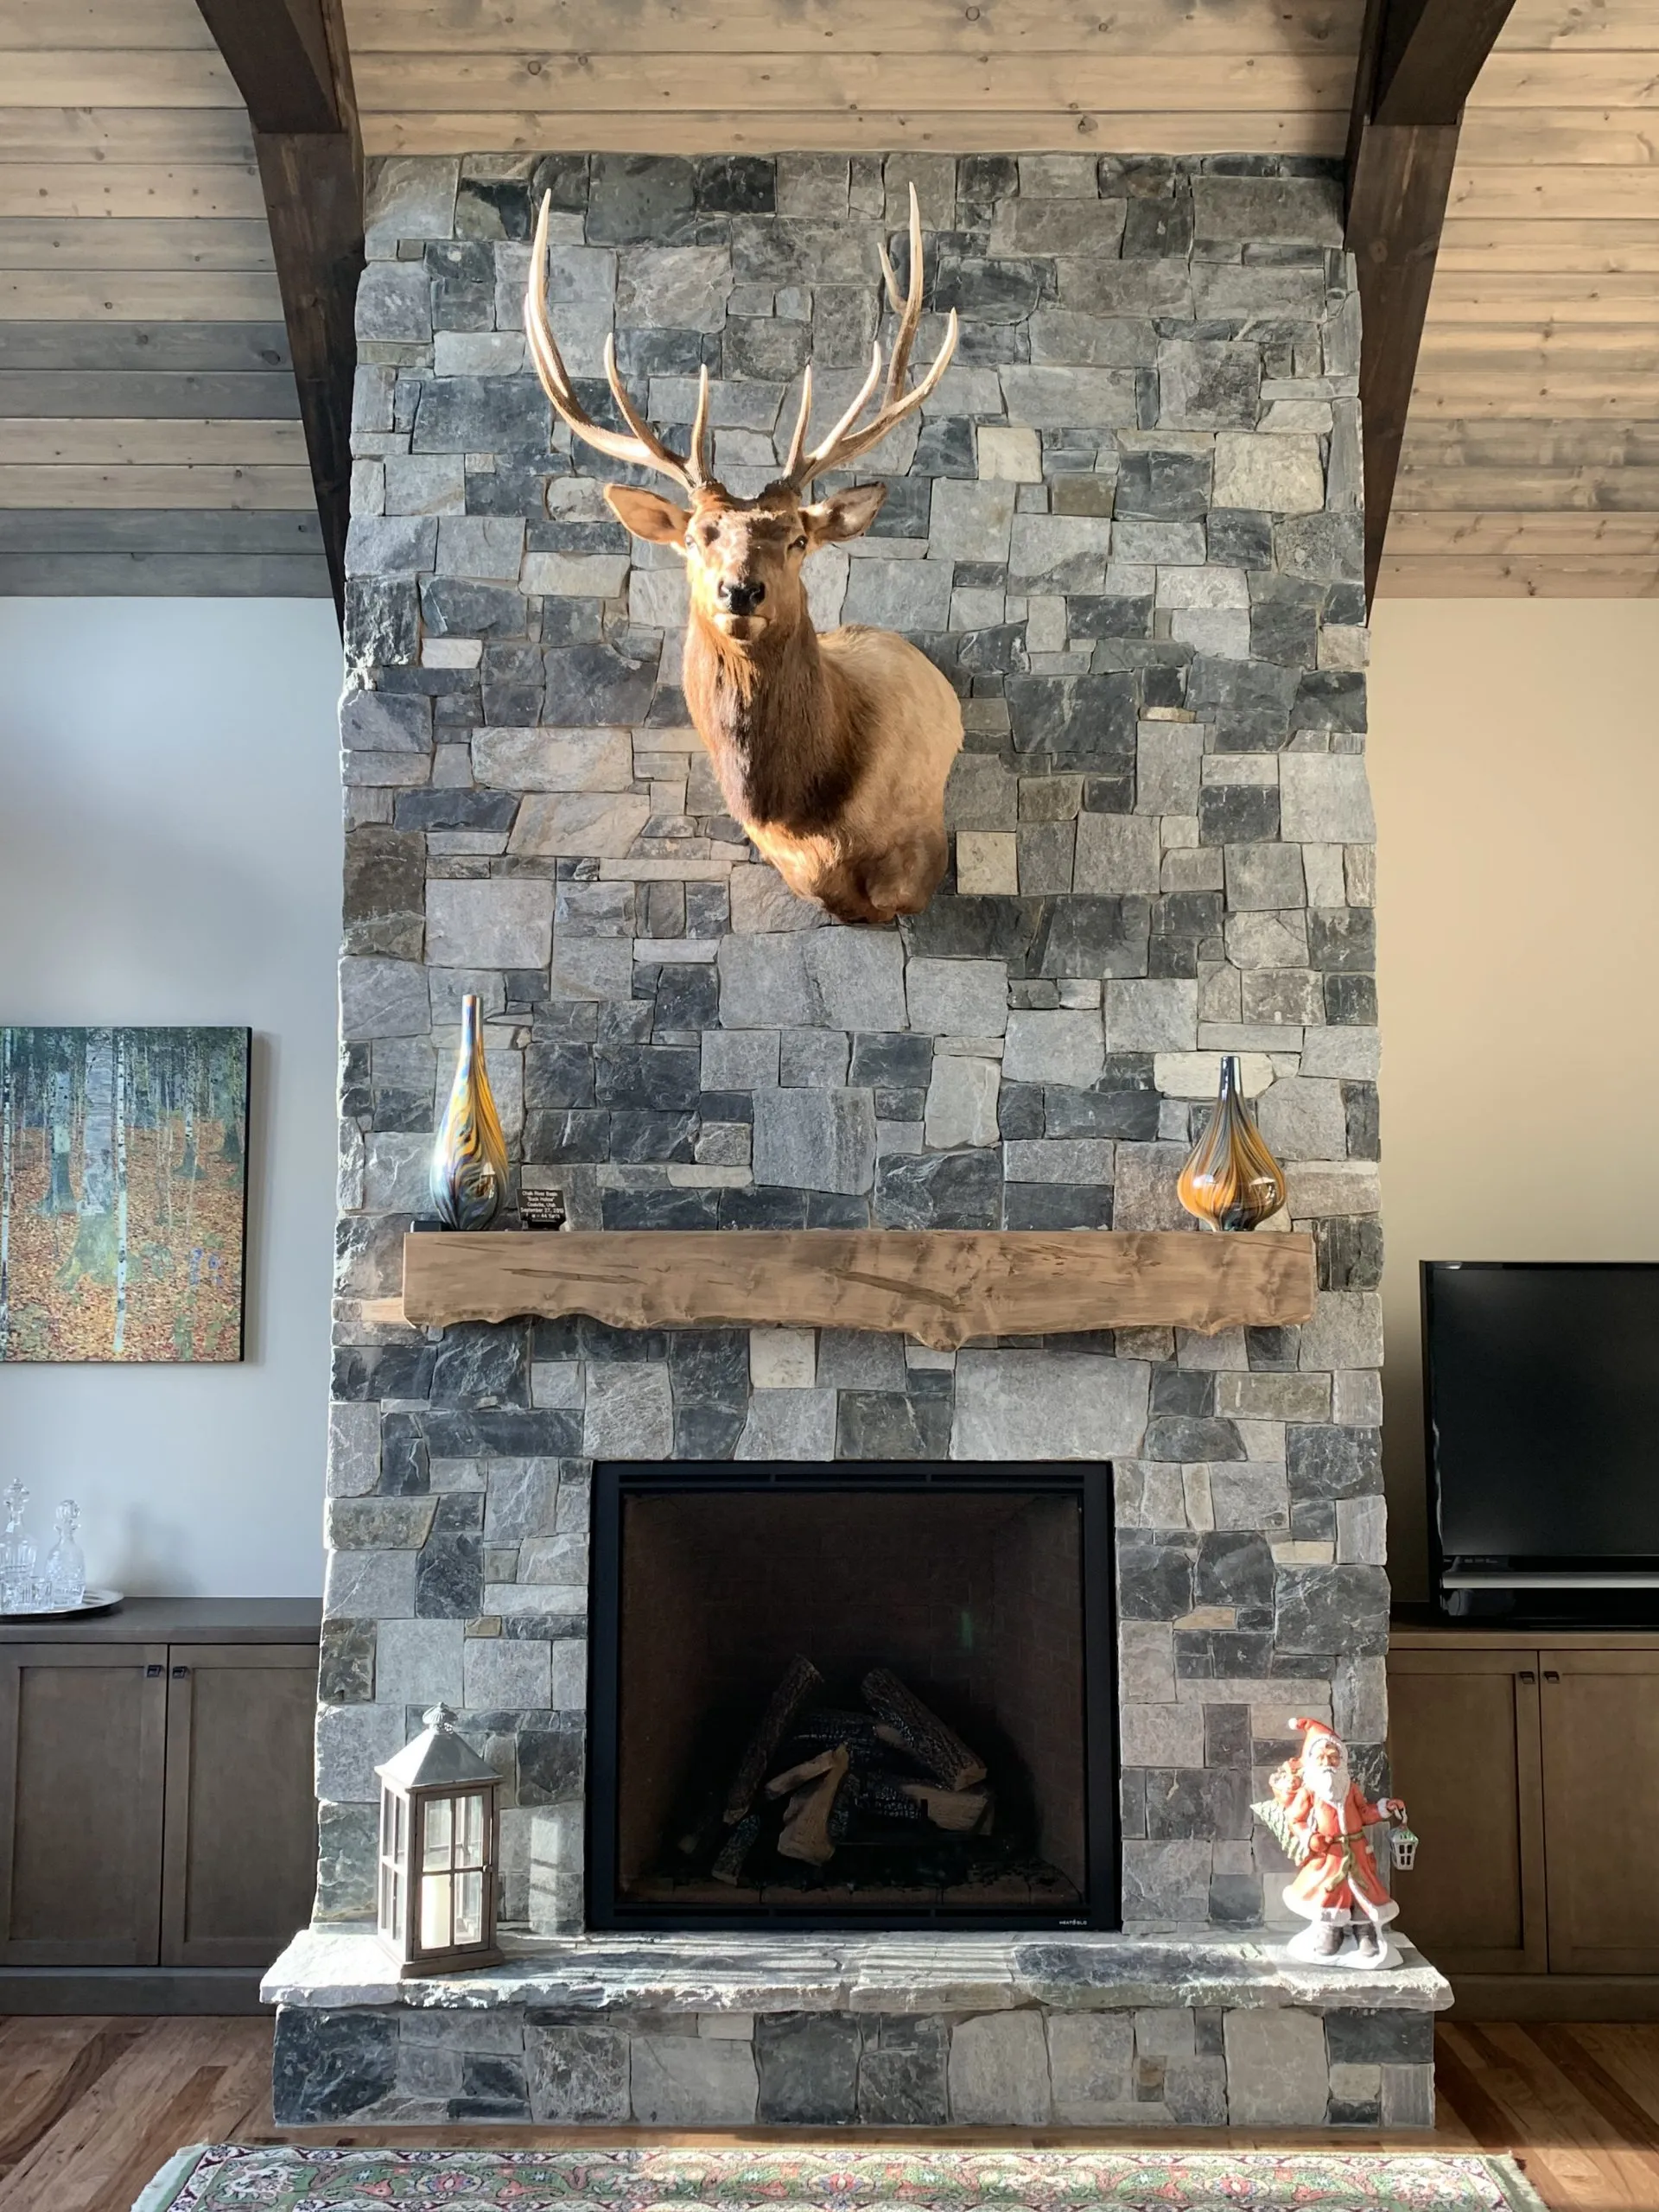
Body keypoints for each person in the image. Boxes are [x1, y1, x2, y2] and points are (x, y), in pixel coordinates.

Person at [1268, 1715, 1408, 1963]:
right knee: (1328, 1891)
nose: (1328, 1763)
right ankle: (1329, 1931)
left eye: (1333, 1757)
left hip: (1356, 1850)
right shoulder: (1309, 1790)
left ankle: (1364, 1930)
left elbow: (1364, 1813)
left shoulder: (1350, 1788)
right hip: (1328, 1855)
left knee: (1363, 1890)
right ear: (1312, 1761)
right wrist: (1310, 1838)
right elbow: (1295, 1820)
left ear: (1341, 1760)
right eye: (1321, 1758)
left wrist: (1384, 1809)